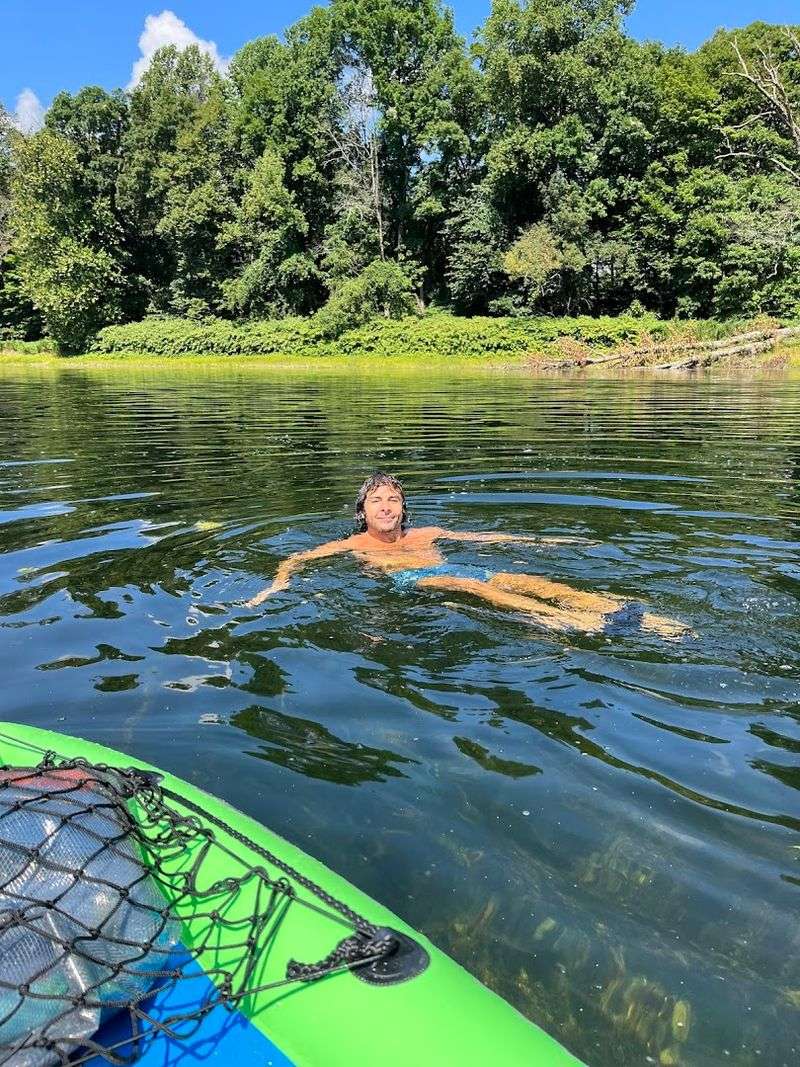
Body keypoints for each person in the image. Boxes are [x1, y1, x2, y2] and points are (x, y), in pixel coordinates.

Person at [246, 472, 686, 637]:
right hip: (410, 581)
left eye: (394, 500)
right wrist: (274, 588)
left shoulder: (428, 533)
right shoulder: (352, 545)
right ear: (362, 511)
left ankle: (643, 619)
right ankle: (570, 621)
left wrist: (550, 542)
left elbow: (487, 538)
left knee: (527, 581)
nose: (386, 507)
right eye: (376, 500)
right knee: (461, 583)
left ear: (403, 508)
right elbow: (295, 559)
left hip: (458, 567)